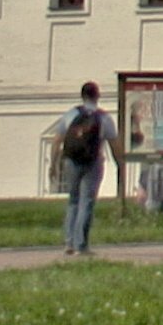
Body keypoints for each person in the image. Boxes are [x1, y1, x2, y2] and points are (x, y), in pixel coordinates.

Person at [56, 82, 112, 256]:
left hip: (71, 161)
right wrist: (119, 162)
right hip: (93, 161)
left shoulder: (71, 114)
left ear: (82, 96)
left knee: (73, 200)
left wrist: (53, 163)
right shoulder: (103, 117)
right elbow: (114, 141)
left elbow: (57, 139)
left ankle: (69, 242)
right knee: (86, 201)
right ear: (97, 96)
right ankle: (81, 244)